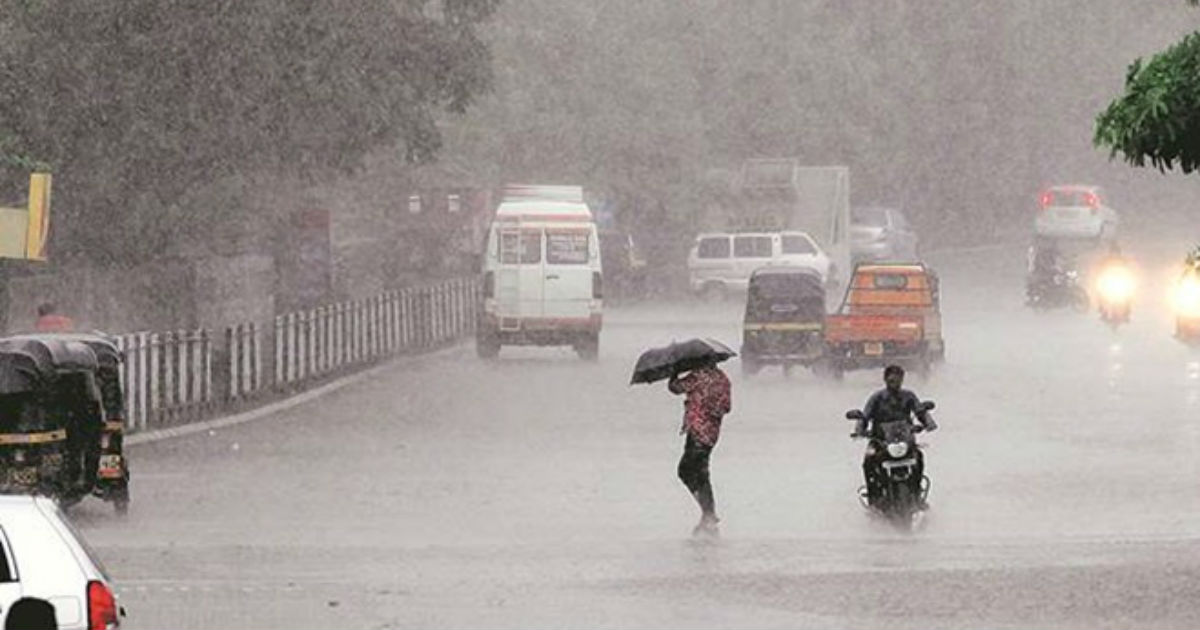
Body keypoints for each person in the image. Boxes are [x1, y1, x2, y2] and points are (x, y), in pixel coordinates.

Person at [852, 364, 937, 506]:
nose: (895, 383)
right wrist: (860, 429)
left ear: (902, 380)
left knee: (919, 457)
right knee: (868, 461)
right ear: (885, 380)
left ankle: (916, 494)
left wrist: (928, 423)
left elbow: (920, 411)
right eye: (891, 380)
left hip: (904, 439)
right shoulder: (876, 398)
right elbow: (865, 416)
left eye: (898, 379)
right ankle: (874, 497)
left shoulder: (909, 396)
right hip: (880, 440)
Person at [668, 360, 731, 537]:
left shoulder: (698, 377)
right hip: (711, 433)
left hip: (696, 430)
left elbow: (675, 388)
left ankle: (708, 512)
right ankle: (708, 512)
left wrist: (675, 370)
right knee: (701, 471)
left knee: (685, 470)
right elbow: (727, 407)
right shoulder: (723, 379)